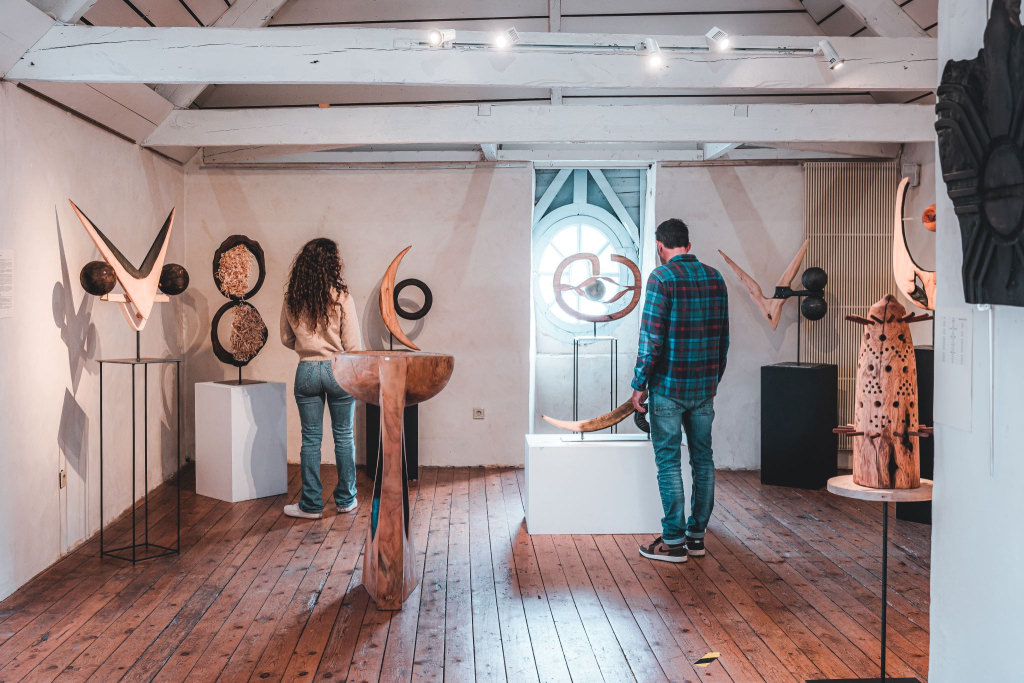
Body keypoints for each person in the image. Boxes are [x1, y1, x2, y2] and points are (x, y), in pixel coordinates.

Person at [631, 218, 729, 563]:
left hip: (669, 388)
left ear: (661, 246)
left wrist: (639, 384)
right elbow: (723, 339)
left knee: (669, 463)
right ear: (687, 244)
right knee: (703, 460)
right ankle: (696, 538)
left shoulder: (662, 278)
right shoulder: (715, 277)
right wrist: (712, 380)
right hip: (703, 388)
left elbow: (651, 339)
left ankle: (673, 542)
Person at [281, 238, 362, 519]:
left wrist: (308, 347)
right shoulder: (341, 297)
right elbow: (353, 345)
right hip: (338, 368)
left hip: (306, 370)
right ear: (332, 263)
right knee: (344, 436)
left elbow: (285, 338)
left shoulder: (293, 296)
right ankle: (345, 499)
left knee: (311, 439)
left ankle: (311, 505)